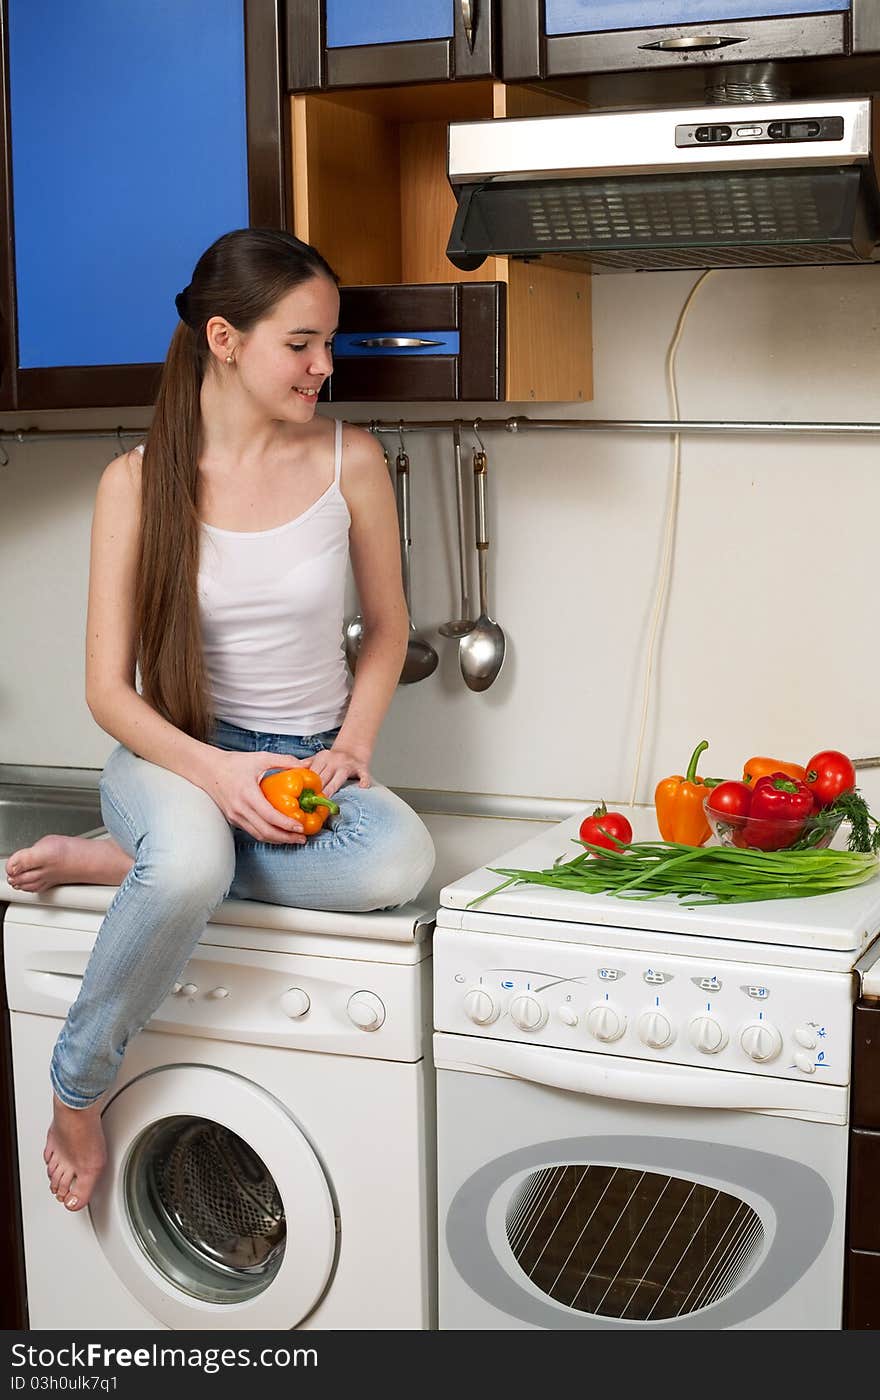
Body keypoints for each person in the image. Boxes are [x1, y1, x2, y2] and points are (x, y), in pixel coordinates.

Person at [4, 227, 435, 1212]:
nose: (325, 365)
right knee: (194, 856)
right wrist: (213, 776)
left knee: (395, 861)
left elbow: (389, 628)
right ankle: (78, 1084)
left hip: (301, 767)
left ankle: (126, 862)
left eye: (331, 341)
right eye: (301, 342)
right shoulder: (133, 482)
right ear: (225, 338)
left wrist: (351, 746)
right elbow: (109, 691)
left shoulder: (351, 461)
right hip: (172, 754)